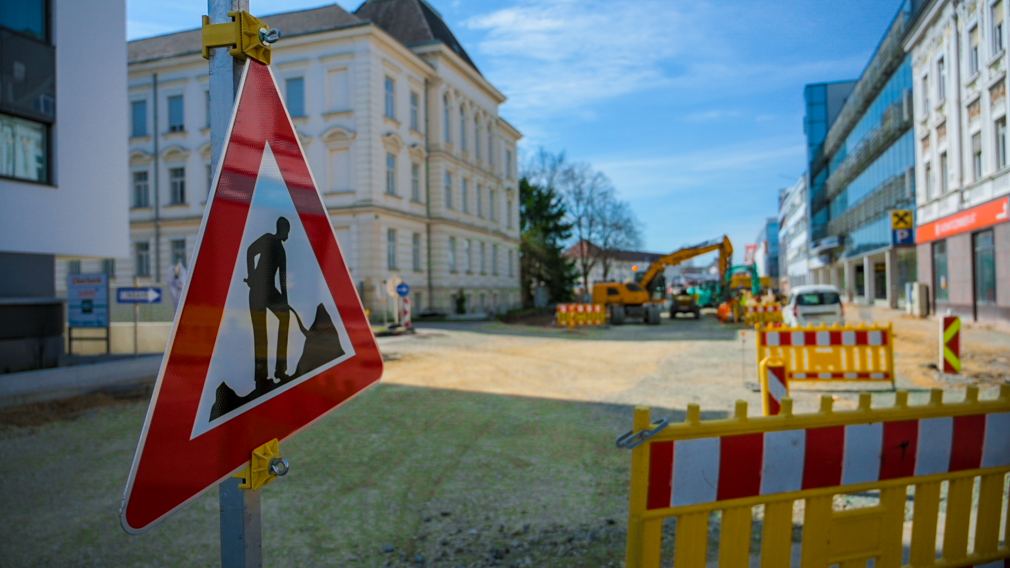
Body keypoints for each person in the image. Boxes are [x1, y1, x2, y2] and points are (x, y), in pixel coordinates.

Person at [245, 217, 290, 392]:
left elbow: (283, 279)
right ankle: (262, 378)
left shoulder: (281, 250)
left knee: (283, 319)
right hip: (257, 290)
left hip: (269, 291)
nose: (288, 234)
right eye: (287, 230)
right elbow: (250, 251)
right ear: (282, 229)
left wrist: (285, 303)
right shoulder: (268, 239)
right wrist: (250, 276)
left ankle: (280, 370)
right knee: (261, 334)